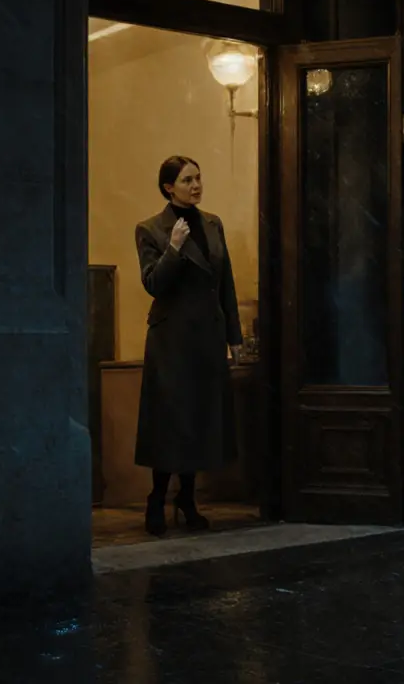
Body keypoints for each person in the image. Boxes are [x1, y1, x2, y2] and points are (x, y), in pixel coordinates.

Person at [134, 156, 243, 537]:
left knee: (198, 420)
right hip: (171, 341)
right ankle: (157, 497)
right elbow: (153, 284)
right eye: (187, 180)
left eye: (198, 178)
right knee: (170, 422)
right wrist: (174, 249)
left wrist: (235, 337)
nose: (196, 185)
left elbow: (224, 282)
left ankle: (188, 499)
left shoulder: (212, 224)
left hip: (207, 338)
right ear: (168, 187)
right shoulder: (150, 228)